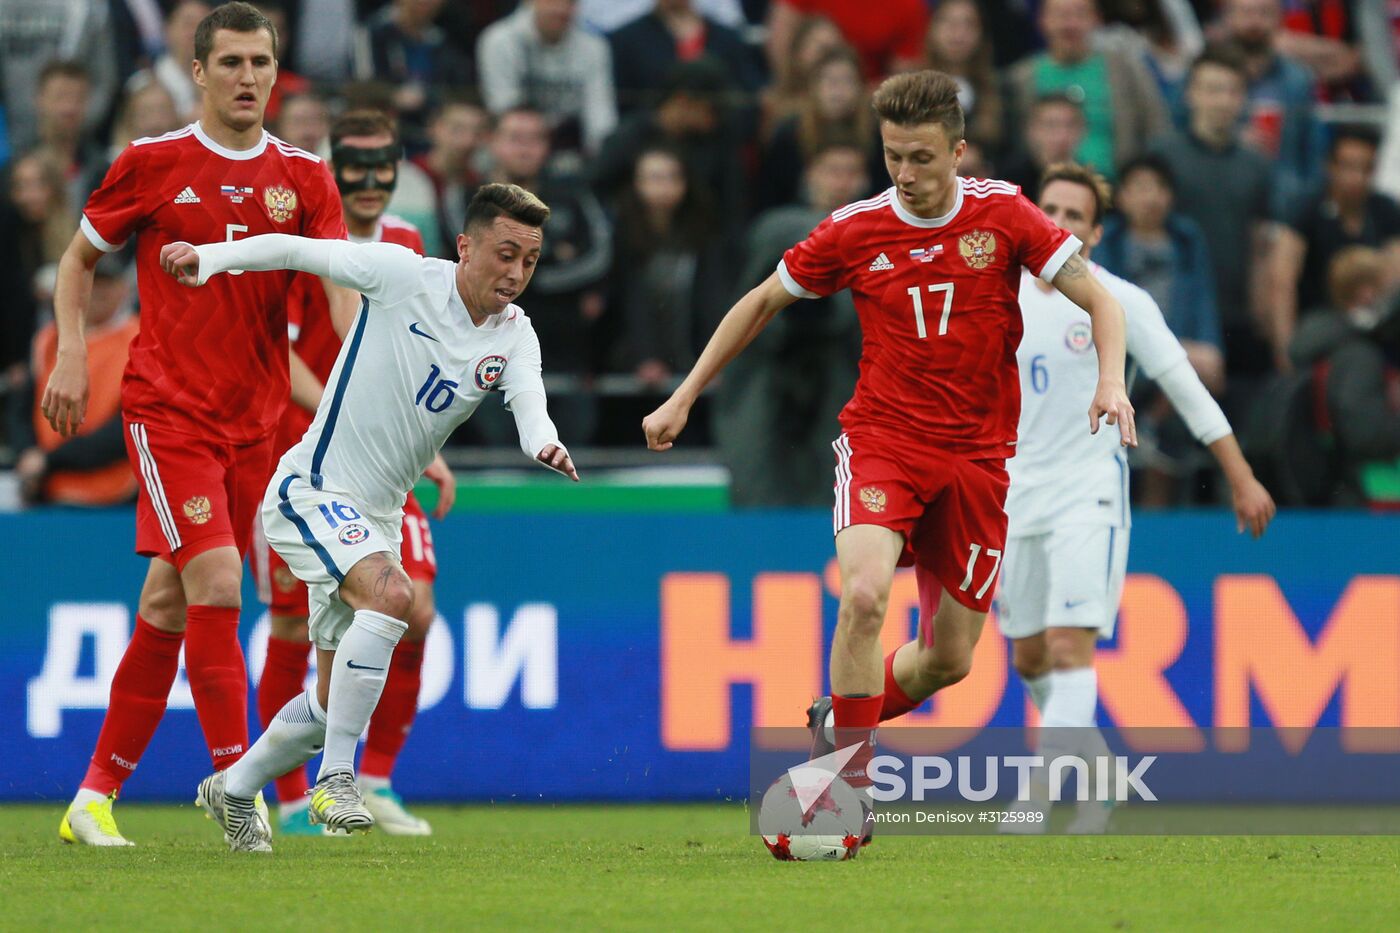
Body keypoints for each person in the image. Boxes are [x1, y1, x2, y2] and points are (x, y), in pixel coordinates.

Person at [643, 71, 1136, 801]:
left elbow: (1101, 299)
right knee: (866, 595)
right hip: (885, 440)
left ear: (958, 152)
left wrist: (1110, 381)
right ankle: (842, 788)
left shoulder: (1004, 213)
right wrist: (684, 395)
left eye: (922, 158)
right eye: (893, 156)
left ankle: (839, 718)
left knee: (948, 660)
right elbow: (763, 301)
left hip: (978, 459)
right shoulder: (856, 228)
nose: (905, 174)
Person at [160, 182, 578, 851]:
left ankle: (234, 788)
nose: (516, 273)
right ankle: (337, 779)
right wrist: (209, 258)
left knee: (334, 699)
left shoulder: (513, 334)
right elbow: (297, 249)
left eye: (529, 260)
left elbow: (530, 405)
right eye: (505, 254)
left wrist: (545, 444)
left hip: (377, 517)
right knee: (393, 595)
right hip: (311, 489)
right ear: (465, 246)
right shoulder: (403, 275)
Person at [43, 2, 349, 847]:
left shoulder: (305, 178)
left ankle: (92, 796)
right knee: (218, 583)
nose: (249, 77)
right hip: (169, 410)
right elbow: (77, 260)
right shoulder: (152, 163)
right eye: (233, 62)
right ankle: (236, 787)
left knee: (168, 601)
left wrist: (361, 384)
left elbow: (339, 288)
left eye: (262, 62)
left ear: (276, 72)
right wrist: (71, 353)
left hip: (257, 421)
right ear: (200, 72)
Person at [996, 163, 1274, 832]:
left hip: (1087, 493)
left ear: (1095, 234)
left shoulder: (1118, 300)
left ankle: (1033, 803)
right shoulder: (998, 297)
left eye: (1075, 215)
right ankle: (1101, 778)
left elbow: (1186, 389)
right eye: (1049, 209)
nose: (1059, 223)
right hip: (1012, 498)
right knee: (1029, 657)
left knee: (1070, 650)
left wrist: (1240, 475)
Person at [251, 110, 453, 838]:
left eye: (382, 164)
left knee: (414, 608)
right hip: (306, 459)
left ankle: (375, 779)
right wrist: (349, 411)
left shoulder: (407, 243)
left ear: (400, 169)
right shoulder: (310, 244)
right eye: (354, 165)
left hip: (387, 465)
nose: (369, 180)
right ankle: (291, 798)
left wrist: (427, 442)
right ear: (333, 168)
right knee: (294, 627)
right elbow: (283, 355)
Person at [715, 141, 867, 506]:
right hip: (765, 375)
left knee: (838, 496)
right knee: (760, 492)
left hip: (841, 375)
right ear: (809, 175)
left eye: (851, 173)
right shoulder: (776, 226)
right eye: (833, 171)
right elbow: (749, 297)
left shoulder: (878, 235)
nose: (841, 182)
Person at [1150, 45, 1275, 391]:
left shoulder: (1256, 164)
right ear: (1191, 94)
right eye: (1213, 89)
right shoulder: (1163, 157)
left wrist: (1264, 306)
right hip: (1177, 313)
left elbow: (1261, 240)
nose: (1223, 100)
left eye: (1232, 91)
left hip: (1239, 314)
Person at [14, 251, 139, 507]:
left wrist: (49, 460)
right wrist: (27, 455)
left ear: (123, 289)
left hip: (117, 490)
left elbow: (129, 428)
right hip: (49, 489)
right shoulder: (47, 339)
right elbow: (21, 409)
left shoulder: (140, 339)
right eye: (91, 281)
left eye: (107, 283)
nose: (97, 291)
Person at [1273, 127, 1400, 372]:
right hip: (1321, 319)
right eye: (1349, 167)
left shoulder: (1385, 211)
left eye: (1366, 168)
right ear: (1330, 166)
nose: (1357, 177)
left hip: (1376, 322)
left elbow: (1395, 276)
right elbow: (1281, 282)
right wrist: (1283, 349)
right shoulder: (1306, 211)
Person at [1006, 0, 1168, 178]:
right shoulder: (1021, 78)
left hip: (1118, 186)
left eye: (1080, 14)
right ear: (1042, 20)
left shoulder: (1124, 69)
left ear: (1097, 19)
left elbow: (1158, 128)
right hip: (1042, 187)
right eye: (1061, 14)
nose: (1070, 24)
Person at [1289, 246, 1400, 506]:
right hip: (1369, 494)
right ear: (1366, 292)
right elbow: (1366, 434)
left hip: (1339, 489)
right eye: (1388, 287)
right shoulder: (1359, 356)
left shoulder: (1325, 343)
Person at [476, 0, 618, 155]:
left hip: (570, 143)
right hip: (516, 141)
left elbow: (600, 115)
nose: (560, 9)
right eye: (551, 1)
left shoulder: (593, 47)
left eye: (569, 3)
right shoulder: (500, 40)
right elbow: (503, 108)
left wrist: (600, 157)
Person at [998, 93, 1088, 202]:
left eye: (1070, 125)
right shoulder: (1009, 183)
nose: (1062, 134)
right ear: (1032, 130)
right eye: (1051, 125)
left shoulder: (1090, 182)